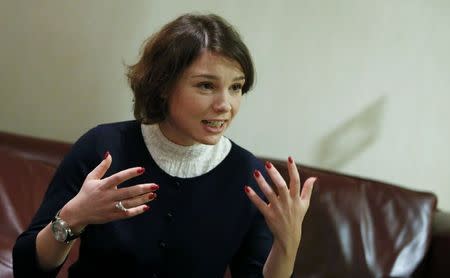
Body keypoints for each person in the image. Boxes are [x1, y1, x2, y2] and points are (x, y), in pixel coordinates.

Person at [13, 13, 316, 277]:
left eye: (236, 87)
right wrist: (72, 218)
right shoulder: (102, 148)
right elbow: (29, 269)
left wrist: (287, 245)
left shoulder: (250, 178)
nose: (226, 105)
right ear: (162, 86)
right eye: (206, 86)